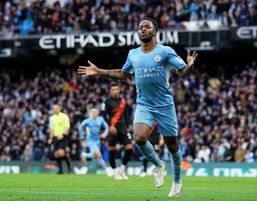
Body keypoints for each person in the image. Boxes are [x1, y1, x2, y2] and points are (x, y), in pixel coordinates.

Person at [78, 18, 198, 197]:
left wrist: (189, 65)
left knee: (172, 145)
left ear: (155, 32)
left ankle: (177, 181)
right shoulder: (133, 54)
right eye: (140, 27)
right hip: (144, 104)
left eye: (147, 27)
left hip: (164, 104)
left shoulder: (165, 51)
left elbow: (182, 72)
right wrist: (99, 71)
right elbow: (123, 74)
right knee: (139, 138)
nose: (142, 29)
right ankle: (158, 165)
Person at [101, 83, 133, 180]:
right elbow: (103, 115)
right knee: (112, 150)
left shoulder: (123, 101)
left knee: (129, 148)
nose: (115, 91)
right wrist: (110, 126)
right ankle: (115, 171)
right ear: (110, 91)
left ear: (119, 90)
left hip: (123, 128)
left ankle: (122, 169)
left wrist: (128, 126)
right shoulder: (106, 102)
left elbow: (127, 114)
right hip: (113, 129)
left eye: (116, 89)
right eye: (113, 89)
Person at [48, 104, 72, 174]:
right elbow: (51, 129)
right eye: (54, 109)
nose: (55, 110)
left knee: (61, 153)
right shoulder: (52, 118)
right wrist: (50, 138)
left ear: (59, 109)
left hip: (63, 137)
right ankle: (60, 170)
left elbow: (67, 127)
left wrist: (63, 134)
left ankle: (68, 165)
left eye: (56, 108)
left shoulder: (64, 116)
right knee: (56, 154)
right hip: (55, 137)